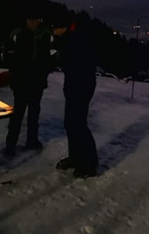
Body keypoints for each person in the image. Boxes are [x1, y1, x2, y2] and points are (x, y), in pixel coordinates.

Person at [4, 10, 54, 156]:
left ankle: (32, 141)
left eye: (36, 20)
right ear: (26, 20)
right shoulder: (17, 33)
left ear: (40, 20)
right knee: (17, 114)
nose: (33, 23)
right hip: (20, 81)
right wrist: (14, 70)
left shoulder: (46, 35)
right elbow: (7, 54)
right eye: (30, 20)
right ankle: (10, 145)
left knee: (34, 113)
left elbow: (54, 54)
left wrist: (46, 68)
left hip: (37, 82)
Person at [56, 14, 98, 178]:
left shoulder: (75, 39)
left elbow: (71, 62)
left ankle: (89, 164)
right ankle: (76, 157)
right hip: (75, 86)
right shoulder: (72, 37)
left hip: (81, 86)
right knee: (70, 123)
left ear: (63, 28)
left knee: (79, 125)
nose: (54, 32)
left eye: (55, 29)